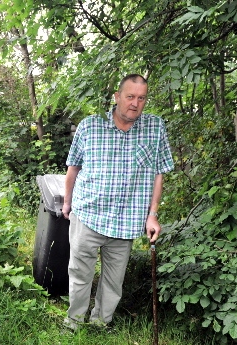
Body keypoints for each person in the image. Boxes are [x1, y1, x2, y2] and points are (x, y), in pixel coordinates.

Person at [62, 73, 174, 331]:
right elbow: (73, 168)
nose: (135, 103)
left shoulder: (155, 127)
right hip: (88, 213)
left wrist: (153, 214)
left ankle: (101, 323)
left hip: (126, 220)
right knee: (80, 274)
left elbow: (159, 173)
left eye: (141, 98)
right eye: (130, 96)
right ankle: (74, 323)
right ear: (117, 97)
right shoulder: (90, 126)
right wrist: (67, 203)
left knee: (114, 280)